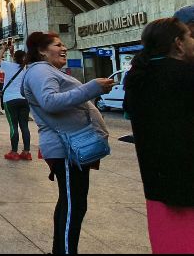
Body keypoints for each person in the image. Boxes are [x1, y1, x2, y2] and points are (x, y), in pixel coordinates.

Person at [22, 31, 114, 255]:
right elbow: (50, 102)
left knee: (70, 202)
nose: (63, 48)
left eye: (63, 44)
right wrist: (92, 87)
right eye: (57, 44)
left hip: (70, 147)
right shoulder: (41, 71)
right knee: (73, 205)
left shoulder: (47, 71)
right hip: (65, 148)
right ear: (42, 51)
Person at [123, 18, 194, 254]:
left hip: (157, 187)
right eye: (190, 37)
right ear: (179, 44)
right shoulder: (186, 76)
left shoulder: (138, 78)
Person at [0, 41, 31, 161]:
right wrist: (12, 52)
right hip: (24, 100)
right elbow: (18, 60)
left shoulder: (7, 65)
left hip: (10, 100)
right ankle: (26, 152)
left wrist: (3, 49)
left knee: (13, 126)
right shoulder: (25, 68)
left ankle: (14, 152)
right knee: (24, 126)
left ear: (14, 58)